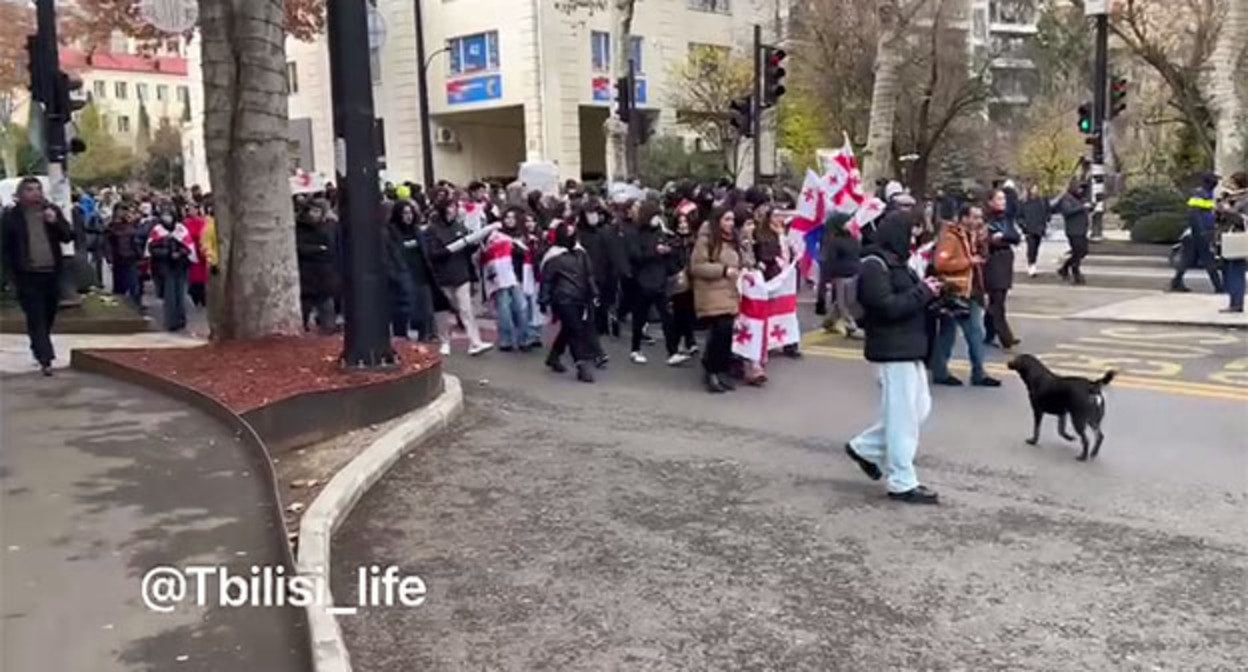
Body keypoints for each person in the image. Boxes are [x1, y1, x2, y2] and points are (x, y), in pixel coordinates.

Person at [845, 211, 943, 504]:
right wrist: (923, 293)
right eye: (910, 234)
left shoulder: (896, 262)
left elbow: (907, 298)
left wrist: (929, 293)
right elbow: (886, 307)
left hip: (910, 347)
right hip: (891, 350)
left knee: (918, 409)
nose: (913, 239)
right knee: (902, 418)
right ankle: (902, 480)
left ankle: (865, 447)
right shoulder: (873, 265)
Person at [0, 178, 74, 375]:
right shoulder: (11, 216)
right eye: (29, 190)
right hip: (27, 275)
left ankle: (38, 345)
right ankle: (45, 357)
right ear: (21, 193)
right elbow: (5, 248)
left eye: (37, 189)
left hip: (51, 272)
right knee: (36, 316)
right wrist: (10, 276)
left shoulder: (51, 211)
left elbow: (68, 236)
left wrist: (55, 222)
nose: (35, 193)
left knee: (48, 314)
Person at [930, 203, 1000, 387]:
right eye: (974, 217)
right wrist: (968, 261)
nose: (978, 221)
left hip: (972, 291)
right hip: (956, 291)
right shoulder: (951, 237)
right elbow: (940, 264)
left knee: (970, 332)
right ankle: (948, 371)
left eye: (980, 218)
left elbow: (983, 258)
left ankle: (970, 372)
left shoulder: (974, 236)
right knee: (958, 332)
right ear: (963, 218)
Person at [427, 197, 495, 356]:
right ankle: (444, 341)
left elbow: (467, 251)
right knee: (443, 312)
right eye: (449, 207)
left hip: (461, 274)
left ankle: (475, 342)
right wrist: (452, 248)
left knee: (466, 309)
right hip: (442, 276)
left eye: (454, 207)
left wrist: (473, 243)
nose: (453, 211)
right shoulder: (432, 230)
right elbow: (432, 254)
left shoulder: (460, 226)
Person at [690, 207, 743, 394]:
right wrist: (722, 270)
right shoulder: (706, 239)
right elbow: (697, 267)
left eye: (732, 219)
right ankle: (712, 371)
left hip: (728, 292)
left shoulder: (733, 240)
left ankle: (720, 370)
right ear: (718, 221)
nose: (731, 223)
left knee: (726, 333)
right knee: (720, 330)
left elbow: (740, 261)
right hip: (711, 292)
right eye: (727, 219)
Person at [540, 220, 598, 383]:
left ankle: (554, 356)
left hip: (580, 297)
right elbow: (547, 280)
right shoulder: (553, 256)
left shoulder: (581, 253)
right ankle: (582, 365)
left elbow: (589, 274)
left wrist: (594, 293)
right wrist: (543, 300)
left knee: (568, 329)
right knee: (576, 330)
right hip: (563, 298)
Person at [625, 201, 679, 365]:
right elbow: (636, 256)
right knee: (640, 317)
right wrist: (655, 252)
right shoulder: (635, 234)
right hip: (642, 282)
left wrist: (669, 251)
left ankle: (673, 351)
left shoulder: (661, 233)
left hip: (660, 280)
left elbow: (671, 250)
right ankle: (635, 349)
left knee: (667, 317)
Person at [482, 207, 538, 352]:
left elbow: (529, 254)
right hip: (501, 277)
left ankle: (524, 339)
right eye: (507, 217)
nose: (509, 220)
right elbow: (488, 255)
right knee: (503, 309)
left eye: (513, 218)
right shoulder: (496, 236)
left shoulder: (524, 236)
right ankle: (505, 340)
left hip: (518, 275)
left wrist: (516, 247)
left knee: (521, 307)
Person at [391, 200, 447, 341]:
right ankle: (402, 337)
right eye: (405, 213)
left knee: (426, 311)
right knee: (406, 311)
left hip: (422, 276)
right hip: (404, 277)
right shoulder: (391, 233)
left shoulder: (416, 231)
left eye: (410, 213)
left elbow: (425, 252)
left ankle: (425, 336)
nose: (408, 216)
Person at [144, 203, 197, 332]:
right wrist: (167, 253)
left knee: (181, 294)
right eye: (164, 215)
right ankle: (171, 321)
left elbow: (188, 246)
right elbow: (152, 249)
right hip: (165, 267)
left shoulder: (181, 229)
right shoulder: (157, 230)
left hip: (180, 266)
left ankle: (181, 319)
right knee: (170, 295)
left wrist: (180, 253)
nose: (167, 218)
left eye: (169, 215)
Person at [1171, 173, 1225, 294]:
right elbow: (1194, 214)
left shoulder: (1208, 194)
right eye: (1214, 182)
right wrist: (1200, 231)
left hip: (1203, 231)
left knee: (1188, 259)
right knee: (1208, 259)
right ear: (1209, 183)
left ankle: (1176, 282)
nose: (1216, 184)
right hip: (1199, 232)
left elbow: (1208, 212)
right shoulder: (1200, 194)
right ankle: (1218, 286)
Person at [983, 189, 1022, 349]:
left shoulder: (1006, 219)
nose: (1003, 202)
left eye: (1004, 199)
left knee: (997, 300)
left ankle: (989, 333)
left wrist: (1004, 237)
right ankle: (1006, 337)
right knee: (997, 301)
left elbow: (1015, 237)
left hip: (1005, 261)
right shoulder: (987, 219)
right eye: (999, 199)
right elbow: (991, 240)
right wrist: (1003, 238)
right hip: (993, 262)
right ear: (990, 201)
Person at [294, 201, 339, 334]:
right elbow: (300, 248)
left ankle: (328, 332)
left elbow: (332, 249)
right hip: (306, 276)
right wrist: (318, 250)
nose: (315, 215)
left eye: (318, 211)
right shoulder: (299, 228)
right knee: (304, 308)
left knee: (327, 310)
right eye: (313, 211)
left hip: (325, 276)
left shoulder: (329, 227)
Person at [819, 212, 862, 337]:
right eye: (848, 222)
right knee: (844, 303)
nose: (850, 224)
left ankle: (829, 322)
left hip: (853, 272)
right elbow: (829, 261)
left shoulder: (853, 238)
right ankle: (850, 326)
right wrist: (827, 279)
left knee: (844, 300)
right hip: (840, 274)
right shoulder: (833, 240)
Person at [666, 204, 699, 357]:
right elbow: (670, 261)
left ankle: (688, 340)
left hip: (693, 280)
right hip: (678, 280)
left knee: (689, 311)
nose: (683, 225)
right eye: (680, 223)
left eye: (685, 222)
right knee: (680, 312)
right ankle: (682, 342)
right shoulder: (672, 241)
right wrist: (678, 270)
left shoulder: (695, 240)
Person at [1218, 172, 1248, 314]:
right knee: (1229, 270)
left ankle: (1237, 303)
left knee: (1236, 270)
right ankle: (1233, 301)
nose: (1229, 185)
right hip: (1228, 238)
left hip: (1238, 237)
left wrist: (1227, 209)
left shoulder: (1245, 199)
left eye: (1231, 183)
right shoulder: (1232, 198)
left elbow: (1241, 219)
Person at [105, 202, 144, 308]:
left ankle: (136, 307)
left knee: (134, 286)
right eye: (121, 210)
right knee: (120, 287)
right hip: (118, 259)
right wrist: (110, 259)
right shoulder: (111, 227)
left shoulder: (130, 225)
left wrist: (140, 256)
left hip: (130, 258)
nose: (123, 213)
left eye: (125, 210)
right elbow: (108, 244)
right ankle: (122, 308)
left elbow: (135, 241)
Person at [1057, 181, 1091, 285]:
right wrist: (1082, 208)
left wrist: (1089, 208)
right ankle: (1076, 273)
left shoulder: (1079, 199)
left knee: (1083, 251)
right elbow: (1067, 212)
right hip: (1073, 230)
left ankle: (1065, 268)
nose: (1080, 191)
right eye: (1078, 188)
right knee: (1077, 251)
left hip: (1081, 230)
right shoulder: (1066, 199)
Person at [182, 202, 211, 308]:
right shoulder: (186, 223)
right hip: (191, 251)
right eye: (190, 209)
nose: (192, 211)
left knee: (202, 277)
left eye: (193, 209)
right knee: (193, 277)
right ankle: (195, 296)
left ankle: (203, 297)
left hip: (200, 251)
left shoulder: (203, 222)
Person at [1020, 185, 1050, 277]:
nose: (1035, 191)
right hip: (1029, 228)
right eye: (1033, 189)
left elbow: (1047, 212)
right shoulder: (1024, 202)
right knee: (1031, 247)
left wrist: (1046, 220)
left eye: (1037, 189)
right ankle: (1031, 265)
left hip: (1039, 228)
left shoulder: (1042, 201)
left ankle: (1033, 263)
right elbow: (1019, 215)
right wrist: (1023, 225)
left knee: (1036, 247)